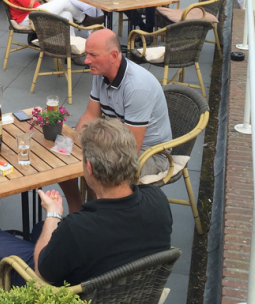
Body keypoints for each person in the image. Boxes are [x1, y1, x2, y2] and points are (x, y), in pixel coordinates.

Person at [0, 117, 172, 285]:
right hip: (136, 291)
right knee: (39, 229)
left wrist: (53, 214)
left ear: (89, 166)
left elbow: (42, 273)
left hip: (73, 294)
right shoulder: (158, 201)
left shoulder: (78, 227)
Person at [60, 29, 173, 212]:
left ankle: (97, 215)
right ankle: (79, 209)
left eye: (93, 55)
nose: (86, 60)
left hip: (151, 154)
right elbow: (90, 116)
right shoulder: (101, 73)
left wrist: (90, 152)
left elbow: (131, 149)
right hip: (117, 141)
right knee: (63, 157)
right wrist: (70, 143)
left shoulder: (137, 87)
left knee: (95, 166)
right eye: (86, 54)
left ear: (113, 55)